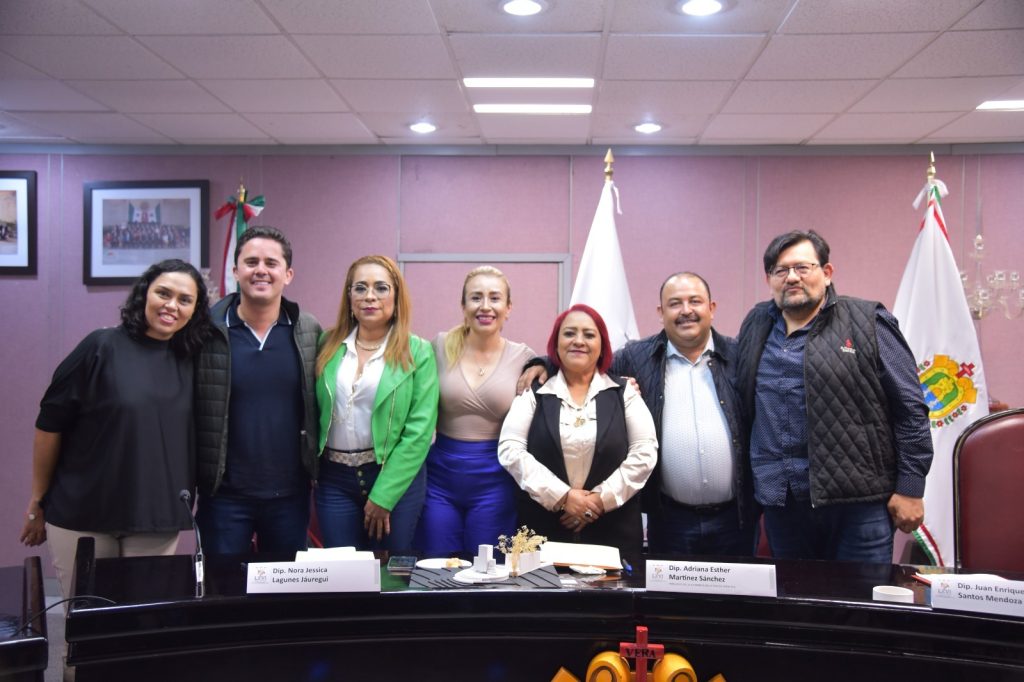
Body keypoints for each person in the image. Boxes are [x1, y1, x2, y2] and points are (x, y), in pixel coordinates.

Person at [735, 229, 933, 563]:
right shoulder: (756, 323)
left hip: (858, 505)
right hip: (783, 502)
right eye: (781, 270)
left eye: (803, 267)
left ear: (827, 273)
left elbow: (910, 410)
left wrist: (911, 487)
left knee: (860, 597)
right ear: (769, 280)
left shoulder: (869, 322)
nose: (792, 277)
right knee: (795, 596)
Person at [20, 259, 211, 598]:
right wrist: (37, 501)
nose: (171, 305)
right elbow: (49, 426)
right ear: (144, 294)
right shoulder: (100, 346)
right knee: (85, 618)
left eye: (185, 300)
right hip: (83, 512)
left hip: (155, 515)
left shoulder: (194, 360)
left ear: (195, 311)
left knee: (141, 620)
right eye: (163, 293)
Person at [195, 226, 321, 555]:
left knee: (285, 585)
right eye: (251, 262)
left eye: (271, 263)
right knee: (220, 584)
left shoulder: (308, 331)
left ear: (288, 274)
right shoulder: (206, 332)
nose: (261, 270)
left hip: (290, 496)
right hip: (223, 497)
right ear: (235, 271)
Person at [610, 272, 754, 557]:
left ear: (711, 308)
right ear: (660, 313)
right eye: (675, 303)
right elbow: (583, 363)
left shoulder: (742, 355)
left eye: (695, 301)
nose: (686, 310)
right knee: (670, 589)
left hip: (736, 520)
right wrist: (541, 364)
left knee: (737, 588)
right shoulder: (635, 358)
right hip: (669, 521)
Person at [498, 304, 657, 560]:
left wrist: (598, 501)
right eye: (569, 333)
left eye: (589, 335)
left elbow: (645, 451)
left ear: (602, 346)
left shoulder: (625, 393)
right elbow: (510, 449)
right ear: (556, 343)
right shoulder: (534, 393)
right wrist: (563, 497)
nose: (579, 341)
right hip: (543, 533)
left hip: (614, 534)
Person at [315, 255, 438, 552]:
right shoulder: (327, 344)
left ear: (396, 296)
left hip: (393, 476)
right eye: (360, 288)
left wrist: (384, 495)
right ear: (349, 296)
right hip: (334, 479)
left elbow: (419, 433)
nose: (370, 296)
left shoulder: (418, 351)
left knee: (392, 571)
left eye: (381, 288)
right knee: (341, 570)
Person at [415, 266, 536, 557]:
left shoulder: (525, 358)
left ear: (508, 308)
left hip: (496, 480)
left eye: (495, 298)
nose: (485, 306)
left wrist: (621, 382)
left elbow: (566, 375)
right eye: (476, 297)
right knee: (436, 565)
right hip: (440, 479)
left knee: (488, 568)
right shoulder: (439, 346)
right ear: (463, 306)